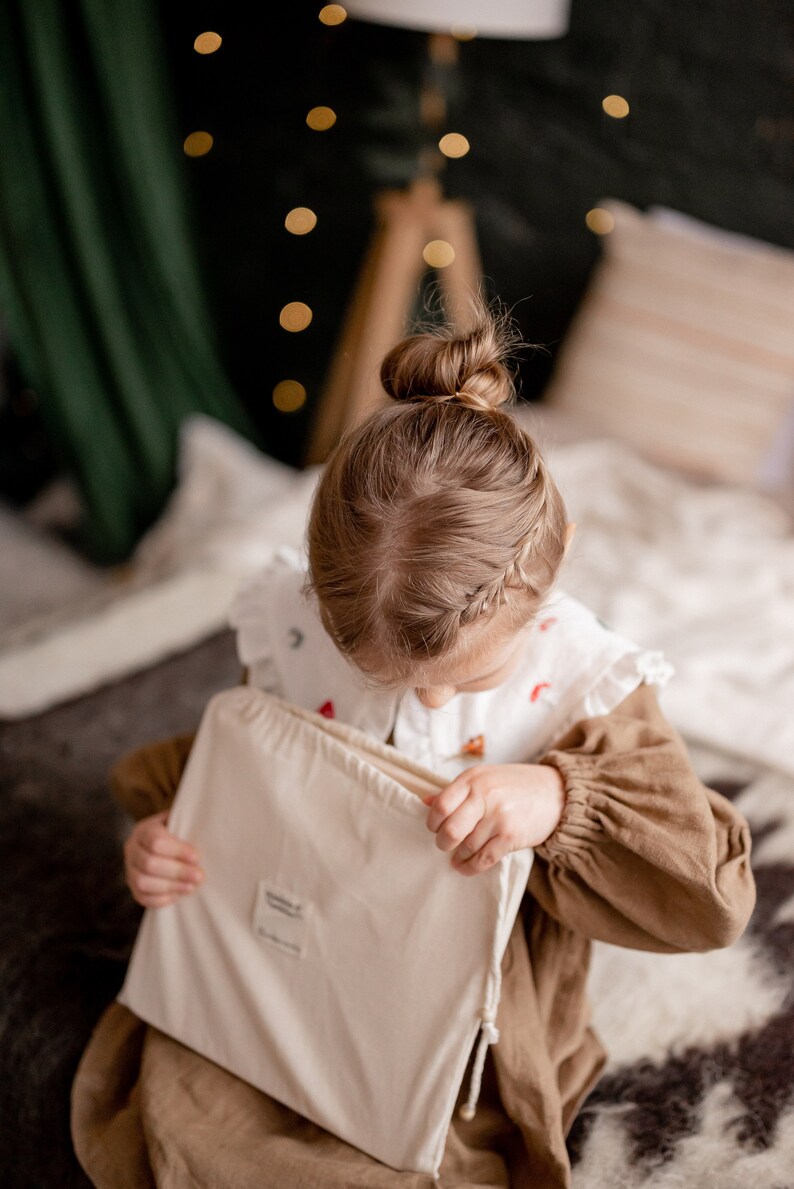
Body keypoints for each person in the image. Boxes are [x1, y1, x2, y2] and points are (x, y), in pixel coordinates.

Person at [72, 304, 756, 1189]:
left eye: (465, 679)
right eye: (382, 674)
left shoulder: (584, 681)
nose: (426, 698)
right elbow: (240, 768)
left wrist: (559, 801)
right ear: (321, 592)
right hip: (292, 954)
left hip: (455, 1011)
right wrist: (167, 836)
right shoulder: (299, 621)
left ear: (555, 573)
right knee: (189, 1103)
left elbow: (710, 891)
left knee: (401, 1154)